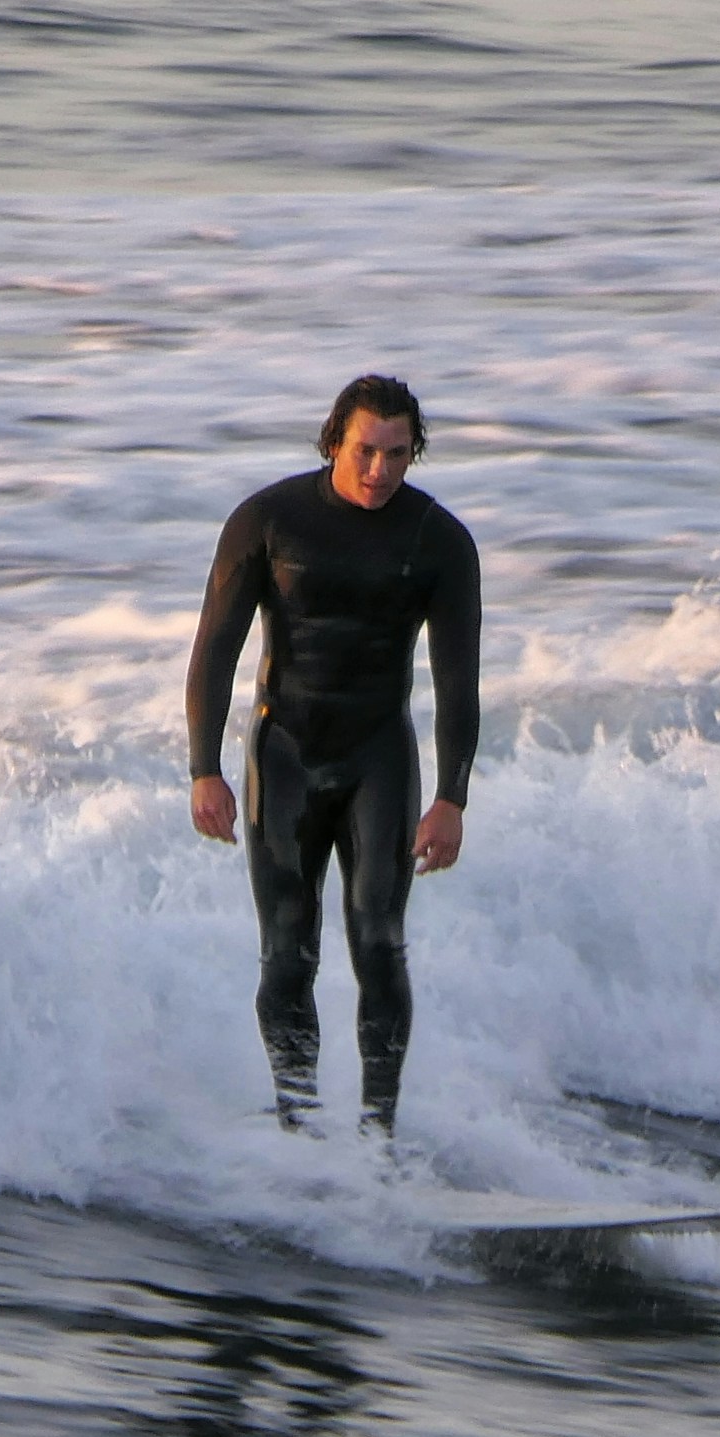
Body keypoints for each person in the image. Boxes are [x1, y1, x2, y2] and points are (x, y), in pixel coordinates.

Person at [185, 373, 482, 1137]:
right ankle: (300, 1124)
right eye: (364, 451)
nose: (380, 470)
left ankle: (379, 1134)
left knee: (379, 944)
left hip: (378, 755)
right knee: (288, 953)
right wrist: (204, 769)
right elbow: (214, 651)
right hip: (283, 752)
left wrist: (452, 795)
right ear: (333, 442)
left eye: (396, 452)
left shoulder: (439, 540)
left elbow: (457, 679)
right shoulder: (268, 519)